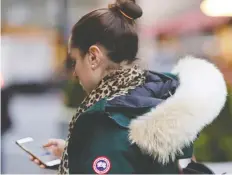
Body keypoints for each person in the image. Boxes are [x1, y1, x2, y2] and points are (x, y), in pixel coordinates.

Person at [30, 0, 227, 174]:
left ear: (93, 57)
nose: (75, 72)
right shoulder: (158, 95)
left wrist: (91, 148)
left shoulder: (103, 120)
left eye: (75, 60)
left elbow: (116, 149)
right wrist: (77, 151)